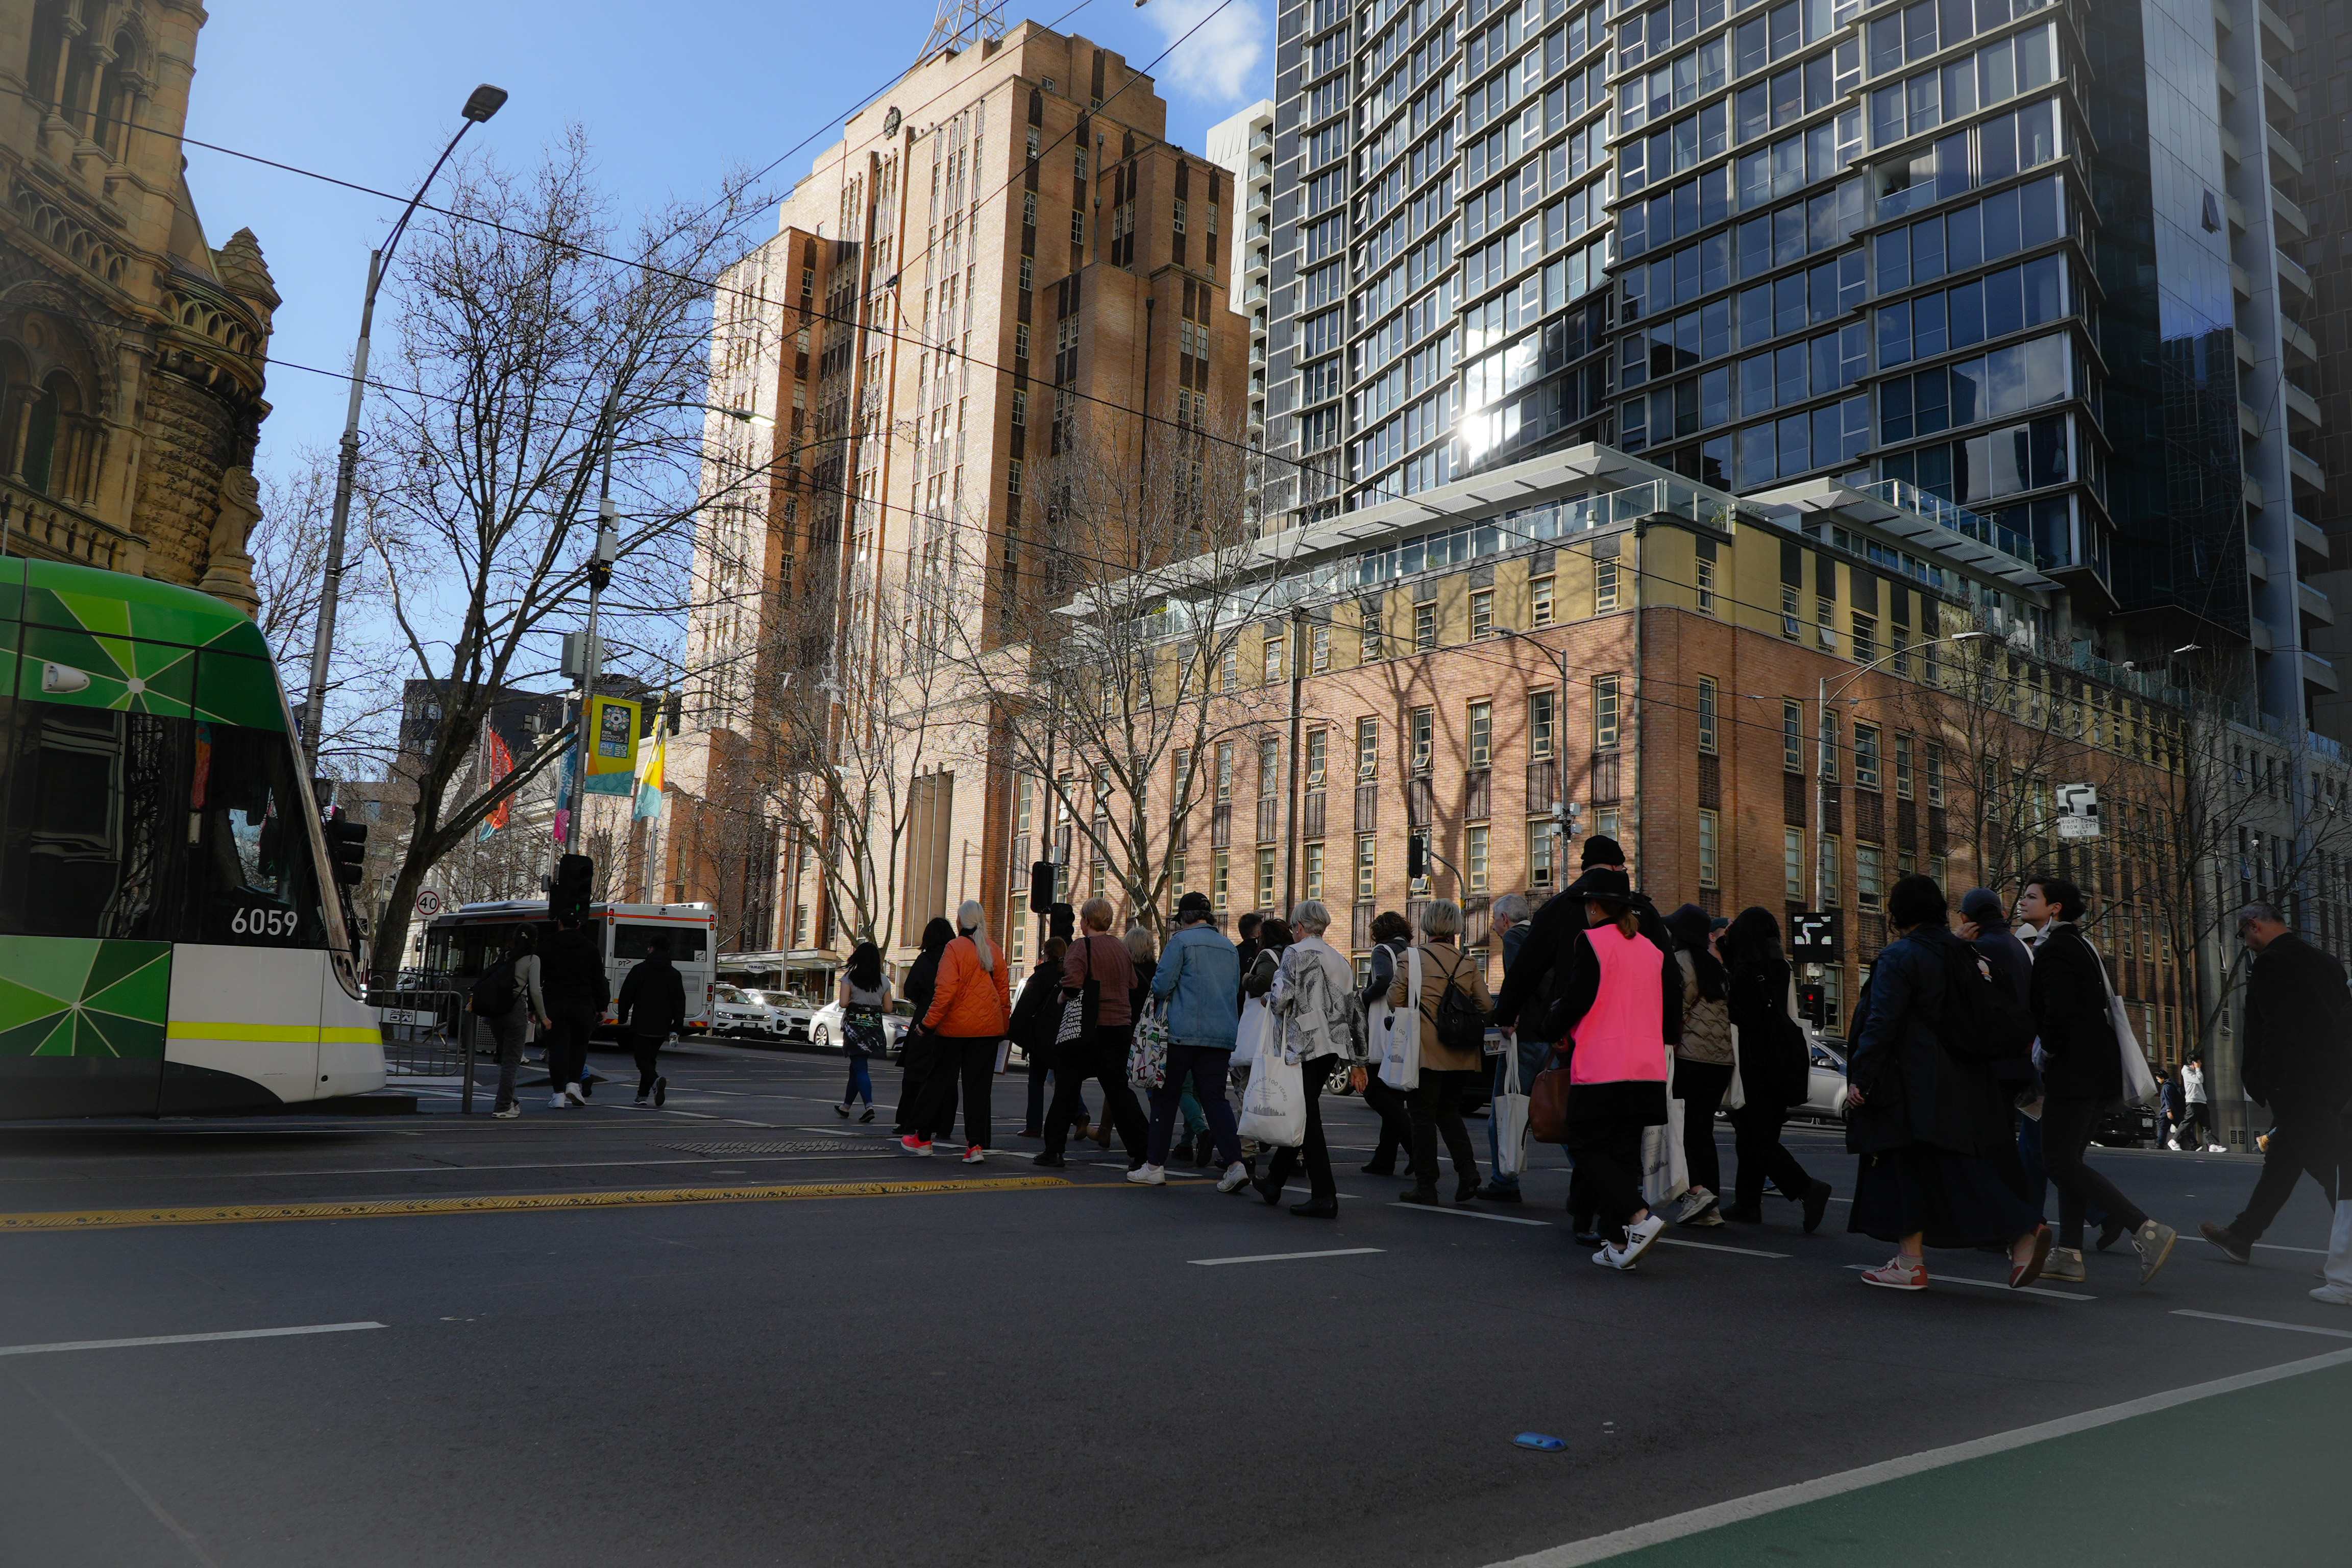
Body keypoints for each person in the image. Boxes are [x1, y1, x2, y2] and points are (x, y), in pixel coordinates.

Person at [1844, 874, 2053, 1291]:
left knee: (1915, 1165)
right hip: (1963, 1078)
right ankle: (1912, 1260)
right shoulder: (1964, 952)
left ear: (1898, 913)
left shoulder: (1901, 956)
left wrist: (1862, 1076)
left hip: (1911, 1079)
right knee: (1927, 1167)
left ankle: (2020, 1229)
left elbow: (1882, 1020)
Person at [2019, 874, 2177, 1285]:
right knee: (2070, 1161)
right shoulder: (2082, 946)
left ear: (2054, 908)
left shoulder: (2053, 950)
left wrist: (2044, 1051)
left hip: (2074, 1071)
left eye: (2032, 897)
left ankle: (2146, 1228)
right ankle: (2069, 1253)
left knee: (2057, 1160)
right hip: (2099, 1067)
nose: (2022, 901)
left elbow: (2058, 1014)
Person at [2206, 903, 2351, 1306]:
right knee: (2284, 1162)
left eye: (2243, 937)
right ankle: (2242, 1235)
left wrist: (2271, 1081)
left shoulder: (2272, 964)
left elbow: (2276, 1027)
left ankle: (2349, 1259)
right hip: (2333, 1080)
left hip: (2298, 1084)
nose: (2246, 945)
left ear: (2253, 927)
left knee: (2331, 1172)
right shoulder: (2326, 962)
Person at [1538, 868, 1680, 1270]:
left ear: (1596, 906)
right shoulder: (1652, 950)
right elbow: (1671, 1007)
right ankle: (1619, 1242)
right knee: (1621, 1155)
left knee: (1586, 1145)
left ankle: (1639, 1217)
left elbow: (1576, 998)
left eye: (1587, 903)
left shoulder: (1594, 942)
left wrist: (1548, 1026)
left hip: (1603, 1065)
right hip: (1647, 1068)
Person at [1244, 899, 1367, 1214]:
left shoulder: (1294, 954)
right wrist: (1359, 1060)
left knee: (1309, 1118)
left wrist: (1267, 997)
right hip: (1333, 1046)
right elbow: (1356, 1014)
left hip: (1304, 1046)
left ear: (1298, 927)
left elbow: (1281, 1000)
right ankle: (1274, 1181)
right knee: (1304, 1110)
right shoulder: (1341, 959)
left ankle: (1325, 1195)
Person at [1717, 908, 1834, 1231]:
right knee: (1760, 1134)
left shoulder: (1743, 973)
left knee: (1753, 1137)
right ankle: (1748, 1203)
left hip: (1754, 1064)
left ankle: (1806, 1188)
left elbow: (1745, 1019)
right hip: (1781, 1063)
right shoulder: (1781, 968)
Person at [1136, 904, 1253, 1193]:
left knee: (1165, 1097)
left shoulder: (1181, 942)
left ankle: (1153, 1167)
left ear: (1185, 918)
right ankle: (1236, 1165)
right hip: (1220, 1035)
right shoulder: (1228, 947)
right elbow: (1235, 990)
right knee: (1215, 1099)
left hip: (1181, 1033)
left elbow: (1161, 986)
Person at [1388, 899, 1493, 1207]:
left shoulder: (1413, 958)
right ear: (1456, 927)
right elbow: (1486, 1006)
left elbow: (1395, 998)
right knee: (1449, 1113)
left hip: (1425, 1051)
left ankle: (1427, 1185)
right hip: (1460, 1051)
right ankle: (1469, 1171)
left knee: (1422, 1118)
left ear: (1427, 925)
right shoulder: (1467, 961)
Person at [1036, 900, 1152, 1168]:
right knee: (1119, 1092)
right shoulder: (1121, 949)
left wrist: (1063, 995)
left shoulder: (1081, 946)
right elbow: (1132, 983)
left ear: (1087, 920)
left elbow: (1074, 983)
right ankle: (1143, 1150)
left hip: (1086, 1030)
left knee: (1066, 1089)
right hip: (1119, 1028)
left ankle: (1054, 1150)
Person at [902, 902, 1011, 1162]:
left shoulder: (954, 948)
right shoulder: (994, 950)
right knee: (979, 1088)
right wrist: (1003, 1027)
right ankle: (975, 1146)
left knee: (938, 1082)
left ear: (960, 923)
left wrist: (927, 1025)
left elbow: (945, 993)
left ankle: (923, 1138)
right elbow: (1004, 995)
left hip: (953, 1030)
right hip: (987, 1031)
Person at [1957, 886, 2042, 1209]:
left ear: (1967, 919)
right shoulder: (2020, 947)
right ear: (2003, 914)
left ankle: (2008, 1217)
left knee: (1993, 1143)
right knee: (2025, 1145)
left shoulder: (1980, 949)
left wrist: (1957, 947)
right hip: (2024, 1055)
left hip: (1995, 1060)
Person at [1662, 902, 1732, 1227]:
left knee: (1682, 1130)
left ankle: (1698, 1193)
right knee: (1703, 1131)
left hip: (1690, 1058)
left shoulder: (1679, 962)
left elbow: (1677, 1008)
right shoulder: (1716, 965)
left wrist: (1671, 1039)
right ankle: (1710, 1205)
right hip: (1720, 1062)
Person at [1480, 892, 1538, 1203]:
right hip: (1546, 1034)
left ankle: (1504, 1180)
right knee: (1554, 1111)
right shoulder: (1542, 935)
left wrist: (1507, 1017)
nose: (1493, 928)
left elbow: (1518, 982)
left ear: (1505, 919)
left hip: (1523, 1037)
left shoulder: (1514, 938)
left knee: (1503, 1111)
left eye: (1494, 920)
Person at [1358, 911, 1417, 1175]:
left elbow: (1383, 981)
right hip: (1408, 1029)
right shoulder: (1414, 953)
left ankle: (1416, 1148)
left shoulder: (1382, 951)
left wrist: (1363, 997)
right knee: (1394, 1096)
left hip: (1385, 1030)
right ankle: (1385, 1158)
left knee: (1374, 1092)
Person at [471, 927, 548, 1119]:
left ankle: (511, 1101)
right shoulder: (532, 960)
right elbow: (536, 991)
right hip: (515, 1009)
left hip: (495, 1011)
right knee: (511, 1062)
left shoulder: (503, 956)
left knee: (505, 1057)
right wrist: (544, 1017)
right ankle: (503, 1105)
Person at [537, 912, 609, 1110]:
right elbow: (598, 979)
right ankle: (573, 1084)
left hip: (555, 1004)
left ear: (560, 923)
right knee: (579, 1046)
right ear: (579, 926)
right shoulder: (590, 948)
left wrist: (535, 1007)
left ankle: (558, 1094)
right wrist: (601, 1007)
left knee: (558, 1049)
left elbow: (537, 979)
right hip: (583, 1004)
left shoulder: (547, 946)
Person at [894, 917, 955, 1135]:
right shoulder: (955, 959)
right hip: (951, 1020)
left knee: (915, 1073)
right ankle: (943, 1124)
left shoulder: (925, 960)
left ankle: (909, 1120)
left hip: (925, 1018)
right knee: (946, 1075)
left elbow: (910, 989)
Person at [1011, 936, 1072, 1137]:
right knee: (1065, 1081)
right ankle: (1079, 1115)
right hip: (1065, 1035)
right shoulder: (1071, 976)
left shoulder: (1040, 977)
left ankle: (1034, 1125)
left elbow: (1024, 1008)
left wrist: (1012, 1031)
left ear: (1046, 955)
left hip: (1042, 1037)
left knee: (1036, 1081)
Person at [616, 933, 686, 1108]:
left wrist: (622, 1016)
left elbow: (626, 994)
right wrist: (677, 1026)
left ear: (652, 949)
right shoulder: (674, 974)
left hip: (642, 1021)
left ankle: (655, 1081)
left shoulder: (640, 970)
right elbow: (679, 1002)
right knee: (651, 1059)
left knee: (642, 1060)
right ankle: (642, 1095)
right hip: (662, 1024)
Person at [835, 941, 893, 1122]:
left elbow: (843, 1003)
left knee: (860, 1067)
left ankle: (869, 1106)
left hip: (855, 1028)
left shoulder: (849, 978)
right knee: (857, 1067)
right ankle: (846, 1107)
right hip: (873, 1028)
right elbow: (889, 1008)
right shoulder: (884, 980)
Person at [2182, 1056, 2217, 1150]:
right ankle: (2174, 1140)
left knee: (2206, 1125)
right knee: (2187, 1123)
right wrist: (2198, 1069)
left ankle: (2212, 1145)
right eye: (2199, 1062)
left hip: (2201, 1101)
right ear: (2194, 1063)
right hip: (2193, 1101)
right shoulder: (2187, 1072)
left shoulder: (2195, 1072)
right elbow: (2199, 1080)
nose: (2201, 1064)